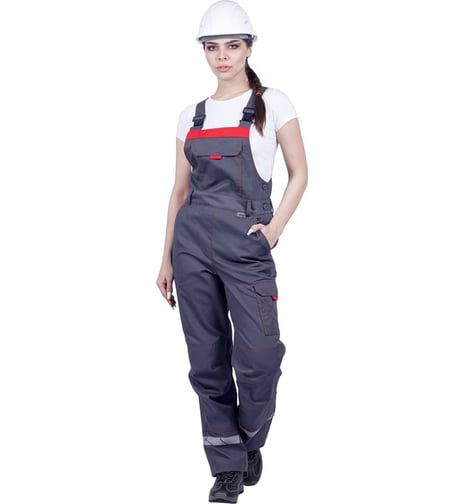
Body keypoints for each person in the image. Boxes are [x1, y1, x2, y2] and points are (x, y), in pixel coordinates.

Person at [156, 1, 308, 501]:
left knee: (260, 356)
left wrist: (274, 230)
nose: (221, 56)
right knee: (206, 359)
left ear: (248, 48)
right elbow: (180, 191)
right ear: (204, 51)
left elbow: (300, 172)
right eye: (212, 47)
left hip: (247, 245)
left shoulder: (273, 103)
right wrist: (166, 258)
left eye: (232, 45)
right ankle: (226, 468)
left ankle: (247, 441)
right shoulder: (191, 115)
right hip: (192, 247)